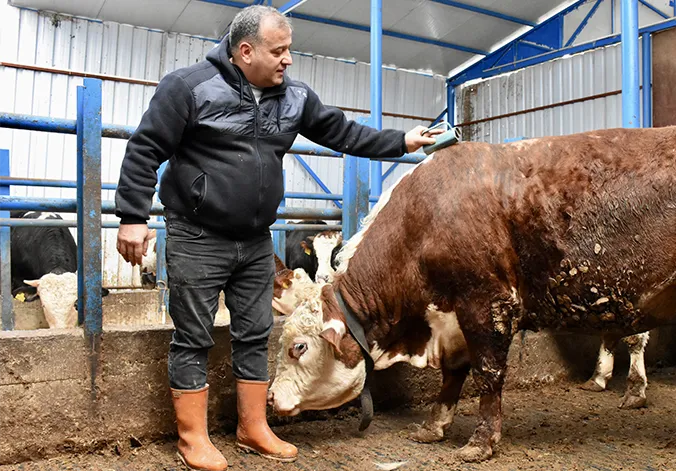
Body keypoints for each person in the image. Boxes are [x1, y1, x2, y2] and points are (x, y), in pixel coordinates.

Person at [114, 5, 439, 470]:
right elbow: (144, 150)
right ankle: (193, 439)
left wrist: (401, 142)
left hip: (255, 240)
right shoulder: (187, 88)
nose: (288, 60)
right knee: (194, 338)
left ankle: (252, 429)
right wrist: (132, 216)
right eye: (279, 51)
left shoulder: (294, 97)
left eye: (290, 50)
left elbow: (342, 132)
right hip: (197, 235)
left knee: (255, 333)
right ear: (245, 51)